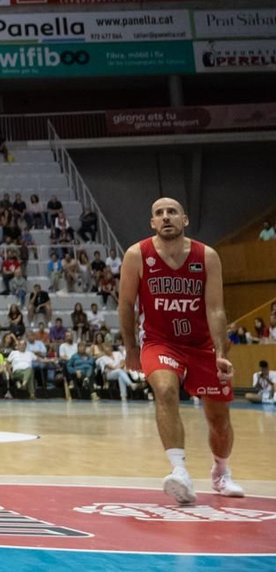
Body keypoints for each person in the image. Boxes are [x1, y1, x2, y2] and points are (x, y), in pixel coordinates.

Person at [118, 197, 241, 504]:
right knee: (165, 390)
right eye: (159, 213)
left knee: (219, 419)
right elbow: (125, 304)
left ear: (184, 219)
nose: (165, 217)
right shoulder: (136, 255)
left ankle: (221, 472)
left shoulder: (207, 255)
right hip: (160, 341)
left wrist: (219, 352)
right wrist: (131, 346)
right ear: (152, 223)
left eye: (172, 212)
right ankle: (179, 471)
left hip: (200, 344)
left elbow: (215, 309)